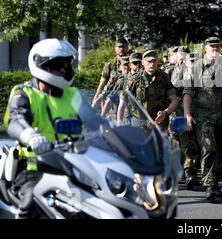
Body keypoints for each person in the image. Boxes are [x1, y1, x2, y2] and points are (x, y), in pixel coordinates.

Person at [3, 38, 80, 218]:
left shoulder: (72, 94)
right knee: (31, 202)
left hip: (72, 166)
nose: (63, 70)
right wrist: (30, 136)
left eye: (65, 65)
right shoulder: (24, 93)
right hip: (33, 168)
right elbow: (15, 120)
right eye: (57, 65)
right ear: (41, 66)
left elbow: (93, 121)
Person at [183, 36, 222, 201]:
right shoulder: (197, 67)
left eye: (217, 47)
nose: (214, 50)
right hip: (204, 116)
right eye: (211, 47)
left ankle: (215, 183)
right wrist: (187, 115)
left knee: (221, 150)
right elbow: (187, 92)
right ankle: (209, 185)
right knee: (208, 148)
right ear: (206, 49)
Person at [117, 50, 178, 130]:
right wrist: (119, 126)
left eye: (154, 61)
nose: (152, 64)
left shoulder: (164, 78)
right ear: (143, 63)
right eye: (149, 61)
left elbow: (174, 101)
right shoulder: (134, 79)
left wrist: (165, 112)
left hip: (159, 124)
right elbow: (122, 104)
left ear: (157, 62)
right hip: (139, 126)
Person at [170, 46, 201, 189]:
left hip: (196, 112)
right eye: (179, 54)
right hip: (178, 112)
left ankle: (190, 171)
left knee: (192, 142)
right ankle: (184, 171)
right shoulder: (171, 71)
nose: (181, 57)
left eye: (184, 55)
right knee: (180, 142)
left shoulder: (199, 71)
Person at [91, 36, 130, 110]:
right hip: (111, 105)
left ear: (127, 47)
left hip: (127, 105)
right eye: (119, 47)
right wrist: (93, 107)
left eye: (124, 46)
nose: (121, 49)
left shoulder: (133, 62)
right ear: (115, 48)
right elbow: (101, 87)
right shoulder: (110, 64)